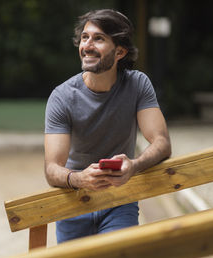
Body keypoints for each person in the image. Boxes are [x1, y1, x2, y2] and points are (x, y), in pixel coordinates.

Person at [44, 9, 171, 243]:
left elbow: (161, 142)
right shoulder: (62, 96)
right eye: (85, 37)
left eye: (99, 38)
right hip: (73, 203)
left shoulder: (138, 84)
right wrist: (79, 178)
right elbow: (52, 168)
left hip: (120, 201)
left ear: (120, 51)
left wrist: (134, 165)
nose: (88, 45)